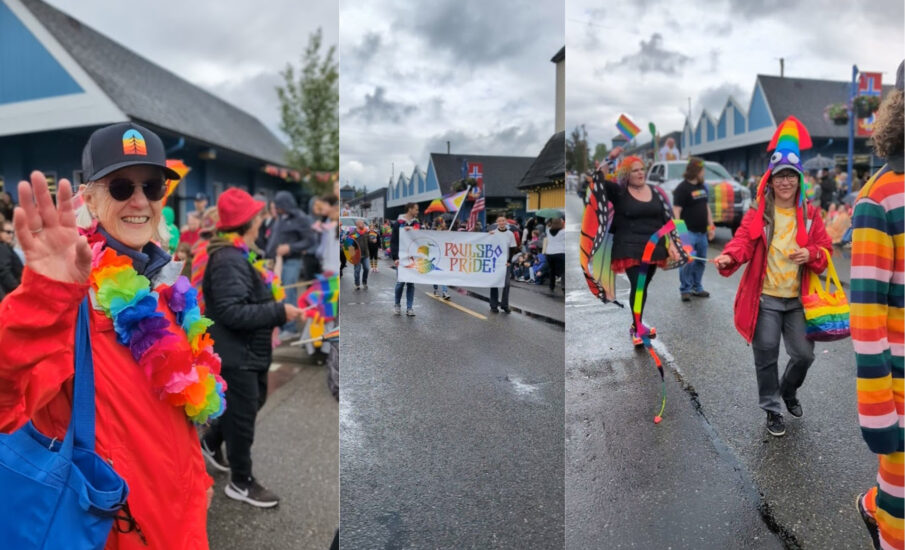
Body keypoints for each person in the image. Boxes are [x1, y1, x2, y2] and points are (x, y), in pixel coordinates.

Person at [0, 122, 220, 547]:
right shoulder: (71, 297)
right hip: (113, 528)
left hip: (184, 524)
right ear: (91, 198)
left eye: (152, 187)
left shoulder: (167, 288)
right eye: (121, 187)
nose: (139, 201)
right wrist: (44, 296)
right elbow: (5, 403)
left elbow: (176, 411)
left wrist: (198, 480)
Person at [714, 117, 832, 438]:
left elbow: (825, 249)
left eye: (790, 176)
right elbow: (743, 241)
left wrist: (812, 255)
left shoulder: (809, 214)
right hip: (766, 298)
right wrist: (729, 256)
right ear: (770, 179)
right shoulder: (759, 213)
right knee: (766, 351)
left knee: (804, 355)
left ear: (798, 180)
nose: (784, 182)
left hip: (796, 300)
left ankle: (788, 390)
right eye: (779, 176)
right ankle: (771, 408)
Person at [199, 188, 300, 508]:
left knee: (250, 403)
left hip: (248, 351)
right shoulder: (229, 258)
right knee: (243, 419)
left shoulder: (240, 253)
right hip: (236, 354)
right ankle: (241, 482)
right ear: (248, 222)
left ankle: (212, 441)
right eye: (258, 216)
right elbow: (231, 311)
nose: (262, 220)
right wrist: (278, 312)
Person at [850, 61, 903, 550]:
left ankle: (876, 504)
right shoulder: (879, 199)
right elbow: (866, 321)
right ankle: (881, 513)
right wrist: (878, 414)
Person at [601, 156, 680, 346]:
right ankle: (637, 328)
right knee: (638, 285)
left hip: (654, 248)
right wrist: (610, 157)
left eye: (642, 169)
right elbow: (598, 179)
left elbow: (666, 218)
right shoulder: (619, 192)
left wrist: (673, 243)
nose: (640, 173)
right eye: (635, 170)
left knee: (642, 288)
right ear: (627, 174)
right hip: (628, 246)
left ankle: (636, 323)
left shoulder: (655, 191)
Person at [267, 191, 318, 337]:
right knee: (278, 293)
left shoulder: (300, 218)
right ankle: (282, 325)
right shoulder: (281, 218)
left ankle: (290, 328)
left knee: (288, 292)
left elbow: (310, 240)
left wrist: (290, 248)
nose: (277, 209)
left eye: (279, 206)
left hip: (292, 261)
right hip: (276, 262)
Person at [672, 157, 715, 301]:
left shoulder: (703, 187)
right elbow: (676, 210)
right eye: (702, 170)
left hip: (702, 232)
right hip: (688, 232)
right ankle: (685, 289)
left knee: (700, 261)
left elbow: (706, 207)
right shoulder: (682, 188)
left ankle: (697, 287)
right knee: (687, 261)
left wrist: (711, 226)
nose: (704, 173)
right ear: (695, 171)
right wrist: (680, 232)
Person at [391, 202, 420, 316]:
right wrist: (395, 257)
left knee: (411, 283)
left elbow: (420, 236)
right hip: (401, 257)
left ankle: (409, 307)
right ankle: (397, 305)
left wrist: (413, 229)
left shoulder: (416, 223)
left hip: (413, 257)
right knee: (400, 283)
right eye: (416, 209)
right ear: (410, 209)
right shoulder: (398, 223)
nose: (417, 212)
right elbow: (393, 241)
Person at [489, 215, 517, 313]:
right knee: (494, 283)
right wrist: (488, 236)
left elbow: (513, 248)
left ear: (506, 222)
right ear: (497, 223)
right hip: (495, 262)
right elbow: (487, 244)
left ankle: (504, 305)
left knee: (507, 284)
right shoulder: (493, 233)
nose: (501, 222)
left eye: (503, 220)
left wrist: (509, 260)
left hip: (505, 262)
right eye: (499, 221)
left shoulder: (510, 234)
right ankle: (493, 305)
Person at [0, 217, 23, 300]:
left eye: (13, 233)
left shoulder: (6, 248)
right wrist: (18, 289)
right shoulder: (3, 248)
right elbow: (4, 271)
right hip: (11, 293)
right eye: (8, 232)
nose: (11, 235)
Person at [543, 216, 566, 294]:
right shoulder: (563, 232)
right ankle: (564, 286)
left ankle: (551, 286)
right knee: (564, 270)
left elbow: (547, 225)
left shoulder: (548, 231)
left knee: (551, 270)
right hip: (560, 252)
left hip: (549, 253)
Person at [432, 217, 450, 300]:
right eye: (444, 222)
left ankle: (444, 292)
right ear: (440, 224)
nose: (445, 224)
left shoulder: (447, 232)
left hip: (444, 256)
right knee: (436, 273)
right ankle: (435, 289)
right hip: (435, 256)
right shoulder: (432, 232)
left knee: (444, 274)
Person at [351, 218, 370, 290]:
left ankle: (364, 282)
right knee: (357, 270)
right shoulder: (353, 233)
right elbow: (349, 245)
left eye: (363, 223)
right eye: (362, 223)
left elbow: (369, 241)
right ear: (357, 224)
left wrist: (374, 241)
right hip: (356, 255)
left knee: (367, 268)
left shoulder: (366, 232)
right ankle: (357, 284)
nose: (364, 224)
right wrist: (352, 256)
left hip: (365, 254)